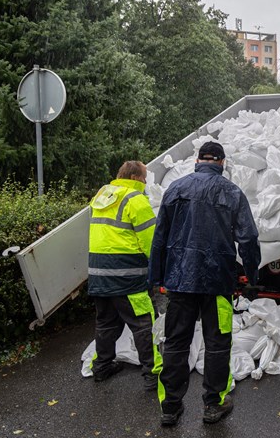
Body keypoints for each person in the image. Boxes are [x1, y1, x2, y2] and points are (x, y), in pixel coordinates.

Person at [149, 141, 261, 427]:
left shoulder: (175, 189)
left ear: (197, 161)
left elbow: (160, 236)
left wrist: (156, 278)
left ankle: (170, 408)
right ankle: (213, 405)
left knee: (175, 343)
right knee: (217, 343)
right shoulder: (232, 192)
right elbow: (247, 238)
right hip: (218, 283)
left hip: (179, 282)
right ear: (221, 163)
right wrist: (252, 278)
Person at [87, 161, 163, 390]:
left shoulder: (102, 195)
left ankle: (101, 367)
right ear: (135, 177)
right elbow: (152, 243)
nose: (146, 182)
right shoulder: (135, 200)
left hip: (99, 274)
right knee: (143, 324)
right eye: (145, 177)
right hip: (128, 276)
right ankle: (153, 373)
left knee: (107, 323)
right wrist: (162, 272)